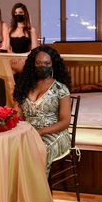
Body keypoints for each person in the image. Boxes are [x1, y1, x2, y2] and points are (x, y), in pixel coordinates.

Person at [13, 45, 72, 176]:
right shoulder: (24, 86)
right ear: (32, 65)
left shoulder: (60, 88)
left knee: (37, 150)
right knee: (9, 148)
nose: (42, 66)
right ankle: (16, 190)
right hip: (28, 132)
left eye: (46, 63)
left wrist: (39, 132)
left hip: (55, 134)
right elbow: (17, 115)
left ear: (53, 65)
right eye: (38, 63)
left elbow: (65, 121)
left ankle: (37, 193)